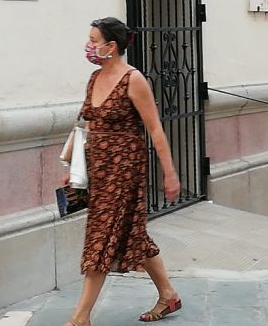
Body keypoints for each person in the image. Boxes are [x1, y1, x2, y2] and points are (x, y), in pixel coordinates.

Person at [62, 17, 182, 325]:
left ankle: (80, 317)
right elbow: (87, 125)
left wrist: (169, 173)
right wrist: (75, 169)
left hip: (124, 170)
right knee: (131, 234)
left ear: (111, 46)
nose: (89, 46)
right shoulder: (94, 77)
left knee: (101, 236)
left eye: (94, 40)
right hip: (99, 171)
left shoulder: (133, 79)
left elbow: (155, 129)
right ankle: (168, 294)